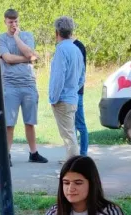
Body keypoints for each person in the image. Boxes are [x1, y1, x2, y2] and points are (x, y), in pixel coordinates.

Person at [0, 8, 48, 165]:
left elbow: (30, 54)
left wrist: (17, 37)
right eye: (10, 21)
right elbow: (7, 58)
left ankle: (33, 153)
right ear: (5, 21)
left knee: (30, 122)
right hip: (10, 85)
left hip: (28, 85)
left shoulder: (27, 36)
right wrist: (26, 59)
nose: (13, 24)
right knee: (9, 123)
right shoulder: (1, 39)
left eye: (16, 21)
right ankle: (6, 155)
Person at [48, 16, 85, 162]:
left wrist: (54, 97)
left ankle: (73, 165)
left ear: (57, 32)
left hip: (63, 99)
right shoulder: (76, 49)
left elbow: (58, 77)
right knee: (70, 133)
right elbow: (82, 76)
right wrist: (74, 90)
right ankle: (71, 161)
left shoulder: (61, 50)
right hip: (72, 97)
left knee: (69, 136)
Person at [73, 34, 89, 157]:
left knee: (80, 124)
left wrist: (76, 88)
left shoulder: (79, 46)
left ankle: (83, 154)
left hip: (77, 92)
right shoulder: (65, 45)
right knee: (71, 125)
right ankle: (73, 154)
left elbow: (81, 71)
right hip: (71, 92)